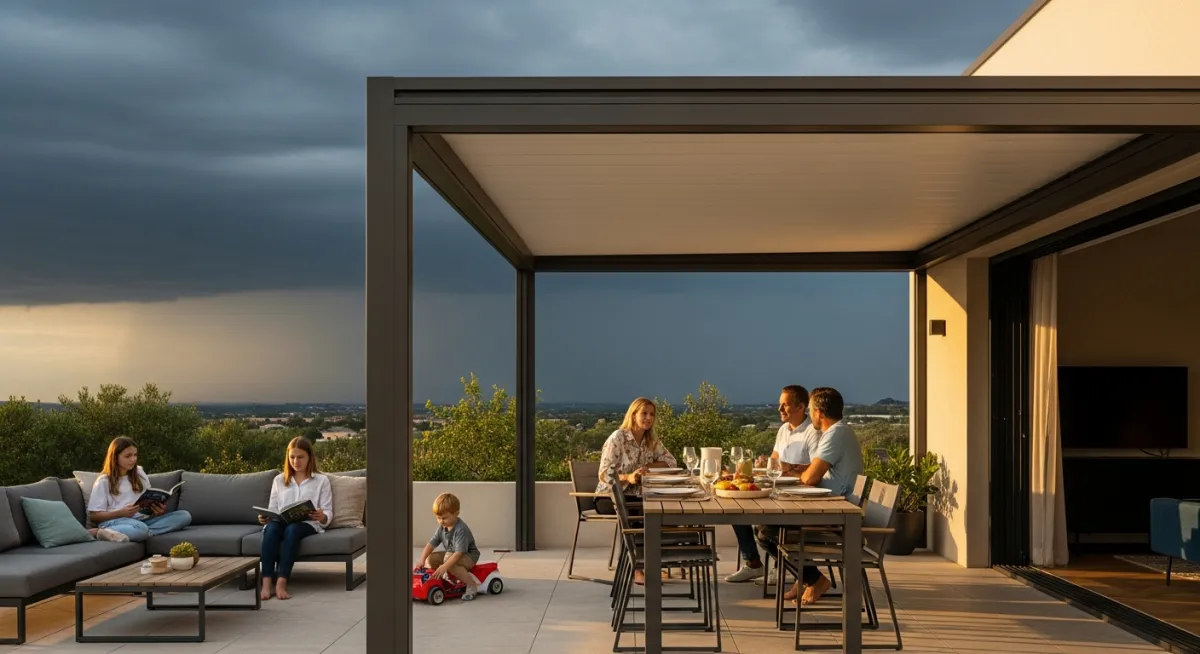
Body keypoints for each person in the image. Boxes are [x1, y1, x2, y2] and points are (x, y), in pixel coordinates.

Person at [726, 385, 820, 583]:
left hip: (798, 497)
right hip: (778, 492)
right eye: (780, 405)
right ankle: (753, 564)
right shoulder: (783, 430)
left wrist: (786, 467)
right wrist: (760, 465)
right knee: (736, 510)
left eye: (784, 405)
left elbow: (815, 469)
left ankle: (783, 566)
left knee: (764, 528)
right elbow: (775, 461)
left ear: (801, 406)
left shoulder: (813, 432)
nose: (779, 409)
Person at [781, 387, 864, 606]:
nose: (809, 414)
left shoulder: (836, 433)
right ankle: (806, 577)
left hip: (838, 516)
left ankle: (814, 579)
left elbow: (810, 477)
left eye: (810, 409)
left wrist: (796, 471)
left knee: (769, 530)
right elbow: (811, 471)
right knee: (773, 528)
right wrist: (800, 470)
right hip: (833, 506)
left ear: (818, 413)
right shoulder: (837, 432)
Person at [595, 397, 677, 585]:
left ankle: (651, 562)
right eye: (644, 413)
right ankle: (638, 568)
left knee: (655, 510)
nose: (648, 418)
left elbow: (671, 462)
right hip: (609, 495)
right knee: (641, 514)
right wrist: (629, 477)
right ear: (633, 415)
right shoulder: (618, 437)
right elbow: (604, 474)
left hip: (638, 495)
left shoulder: (651, 441)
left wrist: (648, 465)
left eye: (652, 414)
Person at [258, 437, 333, 600]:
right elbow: (273, 508)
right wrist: (266, 518)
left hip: (307, 523)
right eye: (292, 457)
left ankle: (281, 582)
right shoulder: (279, 480)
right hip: (280, 522)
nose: (296, 461)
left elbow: (328, 512)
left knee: (292, 530)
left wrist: (322, 516)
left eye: (300, 457)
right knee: (271, 529)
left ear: (309, 457)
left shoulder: (321, 481)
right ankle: (266, 583)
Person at [86, 437, 192, 543]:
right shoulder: (104, 481)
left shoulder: (139, 473)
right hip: (116, 521)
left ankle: (137, 534)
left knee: (184, 516)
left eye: (135, 455)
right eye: (128, 456)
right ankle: (99, 532)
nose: (133, 459)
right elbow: (94, 516)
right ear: (115, 457)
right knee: (140, 530)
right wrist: (120, 513)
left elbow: (147, 499)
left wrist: (157, 510)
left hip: (143, 520)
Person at [416, 492, 483, 601]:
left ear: (456, 513)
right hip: (451, 554)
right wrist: (422, 560)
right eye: (438, 518)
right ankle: (442, 580)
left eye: (444, 518)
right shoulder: (442, 527)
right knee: (431, 559)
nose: (441, 521)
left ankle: (471, 585)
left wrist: (444, 566)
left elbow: (459, 553)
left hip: (468, 556)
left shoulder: (460, 529)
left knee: (449, 563)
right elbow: (431, 544)